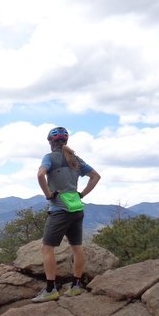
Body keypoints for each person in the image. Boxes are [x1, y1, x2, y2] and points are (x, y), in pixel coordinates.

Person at [32, 126, 101, 302]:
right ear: (66, 141)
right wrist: (82, 194)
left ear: (50, 142)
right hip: (77, 208)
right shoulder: (76, 159)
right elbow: (95, 176)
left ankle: (50, 289)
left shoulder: (49, 158)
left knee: (47, 248)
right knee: (76, 248)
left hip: (60, 210)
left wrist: (48, 195)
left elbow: (40, 175)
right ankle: (76, 286)